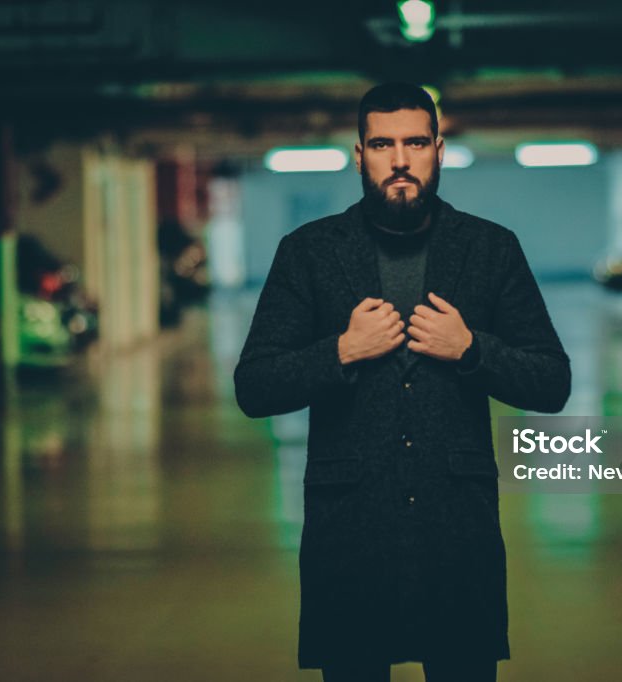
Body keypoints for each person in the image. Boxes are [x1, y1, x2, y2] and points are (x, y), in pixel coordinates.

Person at [234, 82, 571, 682]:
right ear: (358, 154)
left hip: (457, 529)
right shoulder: (308, 253)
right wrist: (340, 351)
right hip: (351, 531)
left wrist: (471, 348)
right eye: (382, 143)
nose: (400, 159)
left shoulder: (491, 250)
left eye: (415, 142)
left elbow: (551, 382)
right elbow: (255, 386)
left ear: (439, 149)